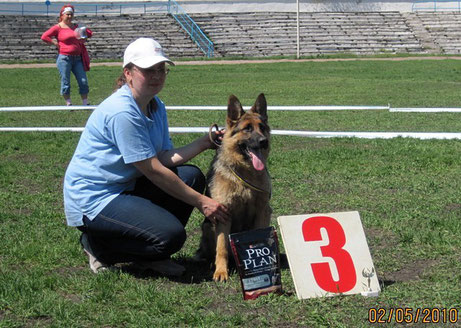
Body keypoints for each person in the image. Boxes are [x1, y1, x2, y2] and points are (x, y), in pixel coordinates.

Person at [63, 37, 229, 276]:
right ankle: (99, 247)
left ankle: (151, 255)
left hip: (126, 185)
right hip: (95, 198)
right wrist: (202, 202)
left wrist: (205, 142)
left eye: (161, 70)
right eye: (148, 70)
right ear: (128, 72)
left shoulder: (155, 105)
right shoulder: (122, 112)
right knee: (171, 237)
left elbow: (162, 157)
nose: (157, 75)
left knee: (191, 176)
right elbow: (152, 170)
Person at [41, 4, 92, 106]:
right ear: (62, 15)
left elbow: (89, 33)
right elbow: (44, 36)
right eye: (67, 14)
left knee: (83, 81)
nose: (69, 16)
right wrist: (55, 43)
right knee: (66, 82)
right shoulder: (58, 27)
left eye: (71, 14)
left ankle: (85, 103)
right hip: (64, 58)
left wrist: (84, 35)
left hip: (77, 59)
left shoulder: (76, 27)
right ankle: (68, 103)